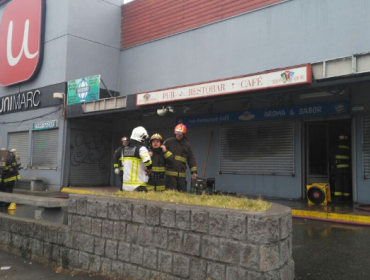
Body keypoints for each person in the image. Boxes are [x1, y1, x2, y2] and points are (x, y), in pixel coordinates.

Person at [164, 124, 197, 192]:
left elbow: (191, 158)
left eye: (181, 134)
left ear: (184, 134)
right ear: (175, 133)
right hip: (170, 174)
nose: (179, 135)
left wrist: (194, 172)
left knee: (182, 193)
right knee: (171, 193)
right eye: (177, 133)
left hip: (181, 175)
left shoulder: (187, 145)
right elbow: (162, 154)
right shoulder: (168, 142)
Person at [122, 126, 152, 191]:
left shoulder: (125, 149)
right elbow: (148, 163)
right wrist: (149, 169)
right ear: (142, 137)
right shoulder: (141, 148)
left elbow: (124, 163)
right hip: (138, 185)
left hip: (125, 186)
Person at [329, 135, 351, 201]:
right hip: (347, 168)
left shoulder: (336, 147)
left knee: (338, 182)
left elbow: (331, 156)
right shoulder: (348, 147)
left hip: (338, 168)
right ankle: (346, 197)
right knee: (346, 182)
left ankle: (338, 197)